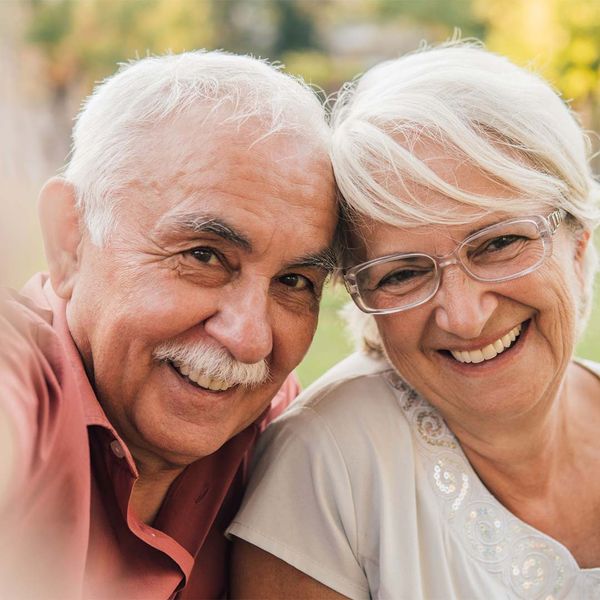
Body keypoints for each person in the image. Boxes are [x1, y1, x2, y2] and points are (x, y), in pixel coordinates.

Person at [228, 42, 600, 599]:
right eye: (401, 275)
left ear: (578, 241)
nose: (465, 317)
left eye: (500, 243)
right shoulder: (328, 465)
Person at [0, 50, 338, 598]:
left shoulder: (283, 439)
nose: (250, 339)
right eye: (204, 255)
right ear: (71, 241)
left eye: (295, 282)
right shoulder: (19, 378)